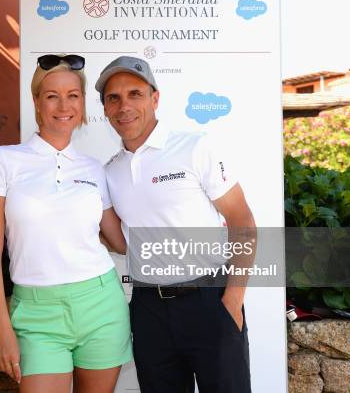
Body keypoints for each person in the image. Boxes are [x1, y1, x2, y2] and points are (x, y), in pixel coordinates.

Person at [95, 56, 257, 393]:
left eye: (135, 94)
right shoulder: (108, 172)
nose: (124, 106)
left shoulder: (195, 147)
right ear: (106, 110)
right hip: (148, 309)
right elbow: (119, 240)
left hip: (211, 300)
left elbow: (242, 220)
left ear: (155, 98)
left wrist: (234, 299)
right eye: (114, 98)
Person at [0, 54, 133, 393]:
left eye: (72, 95)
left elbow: (119, 241)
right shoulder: (4, 160)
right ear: (36, 101)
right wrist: (2, 329)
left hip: (101, 306)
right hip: (35, 316)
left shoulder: (95, 169)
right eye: (52, 96)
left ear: (82, 103)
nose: (64, 105)